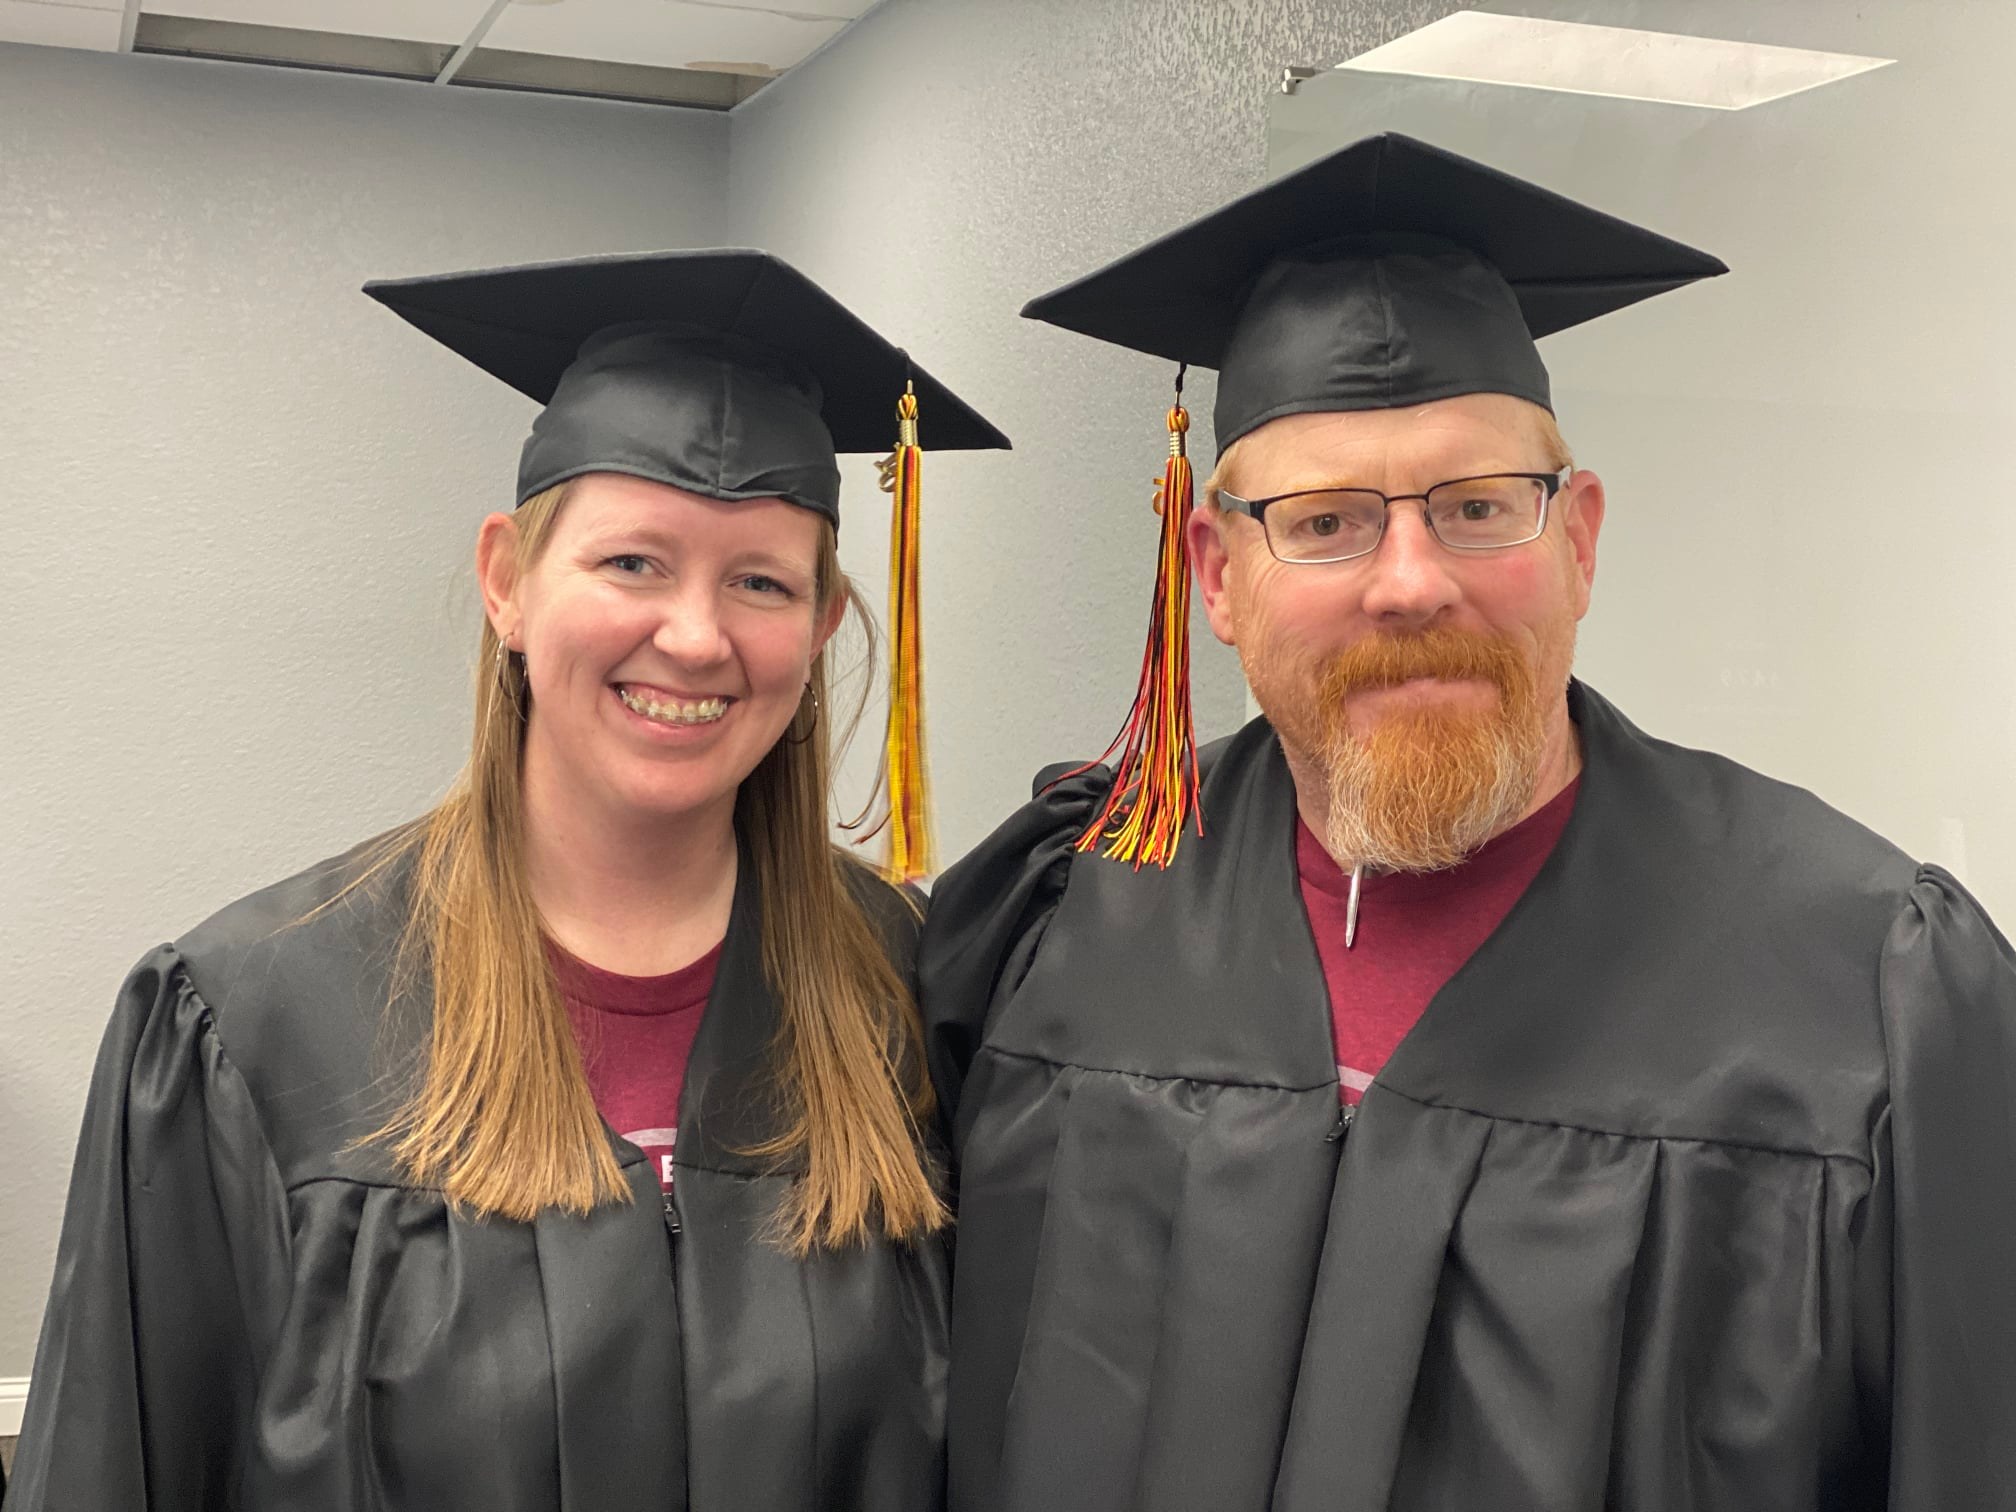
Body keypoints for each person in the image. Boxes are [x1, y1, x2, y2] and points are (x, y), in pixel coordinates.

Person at [920, 134, 2016, 1511]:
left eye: (1478, 507)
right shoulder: (1058, 918)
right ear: (1215, 570)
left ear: (1581, 539)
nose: (1410, 582)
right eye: (1325, 523)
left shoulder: (1866, 991)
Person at [8, 248, 1008, 1511]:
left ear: (816, 629)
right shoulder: (249, 1023)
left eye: (760, 581)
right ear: (507, 581)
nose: (694, 636)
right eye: (632, 563)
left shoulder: (910, 993)